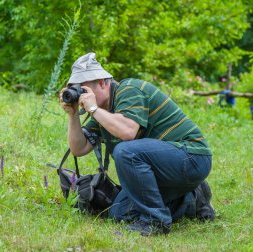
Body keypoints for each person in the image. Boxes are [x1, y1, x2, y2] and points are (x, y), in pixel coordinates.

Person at [59, 52, 215, 236]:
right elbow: (78, 148)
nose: (82, 96)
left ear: (102, 82)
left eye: (84, 90)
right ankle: (193, 198)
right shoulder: (103, 113)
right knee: (119, 211)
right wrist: (73, 115)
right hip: (167, 171)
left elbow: (127, 132)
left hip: (192, 157)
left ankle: (155, 221)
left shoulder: (129, 89)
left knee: (126, 151)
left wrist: (92, 108)